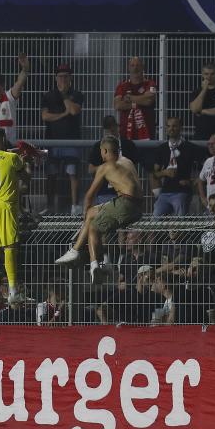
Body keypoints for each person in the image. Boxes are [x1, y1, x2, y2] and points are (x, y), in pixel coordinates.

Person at [56, 136, 144, 284]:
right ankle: (77, 252)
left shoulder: (104, 167)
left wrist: (84, 216)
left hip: (125, 203)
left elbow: (89, 195)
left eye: (101, 152)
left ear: (104, 151)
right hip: (137, 207)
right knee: (93, 213)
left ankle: (93, 264)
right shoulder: (127, 161)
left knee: (92, 225)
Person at [0, 128, 31, 307]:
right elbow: (26, 178)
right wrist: (26, 162)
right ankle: (13, 292)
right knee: (10, 248)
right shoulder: (12, 158)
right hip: (6, 207)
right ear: (3, 138)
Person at [42, 63, 84, 214]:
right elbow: (45, 116)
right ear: (55, 78)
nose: (63, 80)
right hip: (52, 140)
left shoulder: (77, 94)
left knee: (73, 172)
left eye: (66, 77)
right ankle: (49, 207)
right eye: (60, 77)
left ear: (70, 78)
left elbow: (73, 111)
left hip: (71, 140)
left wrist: (64, 96)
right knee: (51, 174)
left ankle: (75, 206)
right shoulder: (48, 95)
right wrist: (62, 115)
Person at [152, 116, 202, 216]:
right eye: (168, 126)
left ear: (180, 128)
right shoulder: (161, 149)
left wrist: (191, 182)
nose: (171, 129)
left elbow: (203, 170)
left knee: (180, 219)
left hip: (182, 191)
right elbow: (154, 174)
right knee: (155, 218)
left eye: (174, 126)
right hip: (165, 192)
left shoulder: (191, 148)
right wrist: (164, 172)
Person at [88, 116, 138, 205]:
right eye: (108, 132)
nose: (110, 134)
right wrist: (107, 167)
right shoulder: (98, 146)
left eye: (112, 131)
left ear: (117, 128)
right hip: (106, 191)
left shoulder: (128, 145)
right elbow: (91, 169)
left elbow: (134, 168)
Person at [113, 56, 157, 140]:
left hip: (147, 132)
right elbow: (117, 105)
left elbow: (148, 101)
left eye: (138, 65)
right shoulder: (122, 86)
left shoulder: (150, 84)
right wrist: (138, 102)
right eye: (132, 65)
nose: (135, 68)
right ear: (128, 68)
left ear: (142, 67)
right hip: (126, 133)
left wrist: (129, 97)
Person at [189, 61, 215, 141]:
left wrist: (203, 111)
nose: (209, 77)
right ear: (202, 75)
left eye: (212, 74)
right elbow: (195, 109)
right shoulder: (197, 91)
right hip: (201, 135)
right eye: (206, 74)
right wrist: (204, 90)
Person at [199, 133, 215, 210]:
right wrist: (203, 198)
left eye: (213, 144)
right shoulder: (208, 161)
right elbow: (200, 181)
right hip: (211, 206)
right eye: (209, 144)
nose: (210, 146)